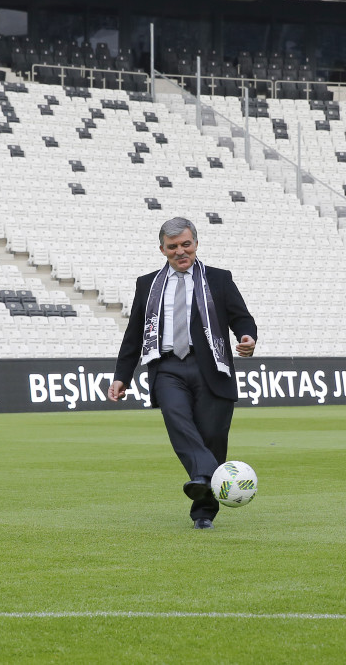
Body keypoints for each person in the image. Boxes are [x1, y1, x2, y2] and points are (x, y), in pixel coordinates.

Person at [108, 217, 257, 530]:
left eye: (185, 244)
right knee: (177, 419)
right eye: (172, 246)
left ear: (196, 244)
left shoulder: (218, 279)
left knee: (213, 438)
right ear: (162, 249)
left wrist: (247, 337)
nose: (180, 251)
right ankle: (205, 473)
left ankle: (204, 510)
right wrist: (122, 375)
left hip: (211, 368)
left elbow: (241, 318)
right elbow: (134, 334)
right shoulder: (147, 284)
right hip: (167, 367)